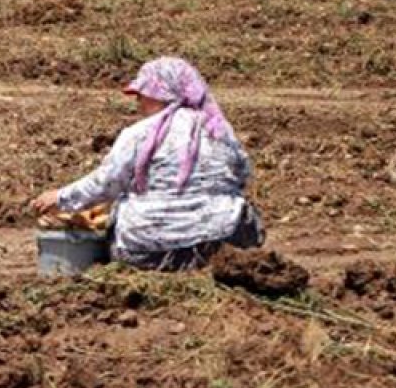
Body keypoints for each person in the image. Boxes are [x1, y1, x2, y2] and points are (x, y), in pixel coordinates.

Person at [32, 57, 264, 271]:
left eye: (141, 95)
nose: (138, 102)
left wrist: (61, 197)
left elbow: (108, 183)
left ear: (159, 94)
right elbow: (242, 175)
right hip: (217, 248)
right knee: (240, 209)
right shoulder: (218, 131)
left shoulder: (138, 134)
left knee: (122, 209)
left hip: (144, 254)